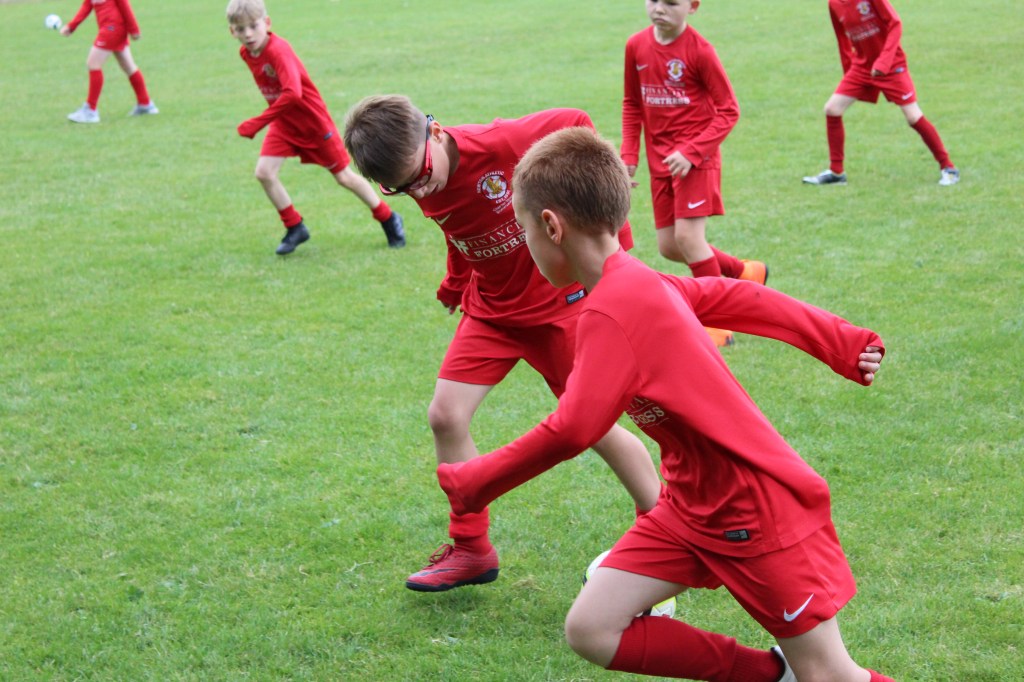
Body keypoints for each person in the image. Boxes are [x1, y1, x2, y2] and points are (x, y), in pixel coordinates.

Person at [437, 127, 895, 682]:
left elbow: (574, 427)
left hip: (755, 512)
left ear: (552, 226)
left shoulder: (612, 309)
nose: (526, 245)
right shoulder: (632, 281)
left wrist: (475, 481)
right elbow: (734, 294)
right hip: (689, 504)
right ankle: (772, 676)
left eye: (524, 228)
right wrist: (840, 342)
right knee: (592, 627)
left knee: (830, 676)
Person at [343, 96, 662, 592]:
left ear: (435, 131)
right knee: (445, 416)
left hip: (556, 308)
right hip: (492, 309)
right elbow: (459, 227)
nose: (419, 190)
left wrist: (614, 238)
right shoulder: (418, 172)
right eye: (401, 189)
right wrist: (455, 282)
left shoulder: (503, 144)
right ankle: (471, 548)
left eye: (420, 176)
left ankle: (661, 525)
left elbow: (576, 121)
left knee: (592, 426)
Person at [622, 0, 766, 348]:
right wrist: (629, 155)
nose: (659, 8)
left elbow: (729, 110)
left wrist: (692, 151)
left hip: (696, 160)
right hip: (660, 162)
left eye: (671, 3)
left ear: (693, 6)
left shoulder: (700, 51)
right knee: (670, 246)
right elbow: (632, 103)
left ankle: (718, 323)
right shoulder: (636, 46)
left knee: (688, 238)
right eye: (654, 0)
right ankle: (743, 272)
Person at [226, 0, 405, 255]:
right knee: (264, 173)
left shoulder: (278, 50)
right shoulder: (246, 53)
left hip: (313, 124)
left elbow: (293, 93)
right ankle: (295, 226)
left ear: (267, 22)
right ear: (232, 31)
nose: (248, 34)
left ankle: (388, 217)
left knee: (344, 177)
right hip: (284, 124)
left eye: (253, 26)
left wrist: (258, 121)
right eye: (241, 29)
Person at [802, 0, 959, 187]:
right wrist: (849, 71)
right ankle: (836, 173)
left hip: (892, 65)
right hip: (861, 68)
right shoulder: (834, 4)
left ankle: (948, 168)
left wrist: (883, 62)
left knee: (913, 117)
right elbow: (842, 40)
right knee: (832, 109)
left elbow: (895, 24)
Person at [60, 0, 158, 123]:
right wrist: (71, 26)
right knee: (128, 66)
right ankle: (145, 104)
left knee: (93, 64)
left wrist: (134, 30)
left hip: (112, 29)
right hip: (112, 28)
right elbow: (86, 6)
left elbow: (125, 6)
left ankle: (90, 111)